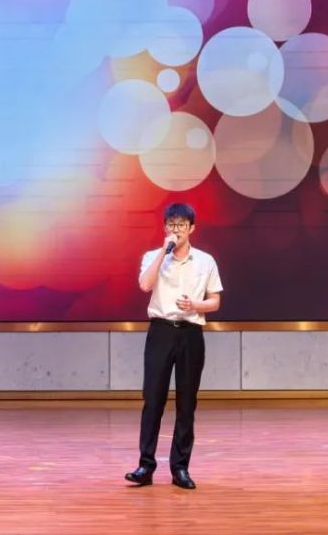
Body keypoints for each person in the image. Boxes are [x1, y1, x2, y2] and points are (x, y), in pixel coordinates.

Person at [125, 203, 222, 490]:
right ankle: (146, 465)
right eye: (171, 224)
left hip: (191, 333)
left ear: (192, 228)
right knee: (153, 399)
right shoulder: (153, 256)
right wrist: (162, 253)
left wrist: (195, 305)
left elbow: (215, 301)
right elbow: (145, 285)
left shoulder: (205, 261)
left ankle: (180, 468)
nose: (175, 230)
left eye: (181, 225)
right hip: (161, 331)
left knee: (186, 402)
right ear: (165, 227)